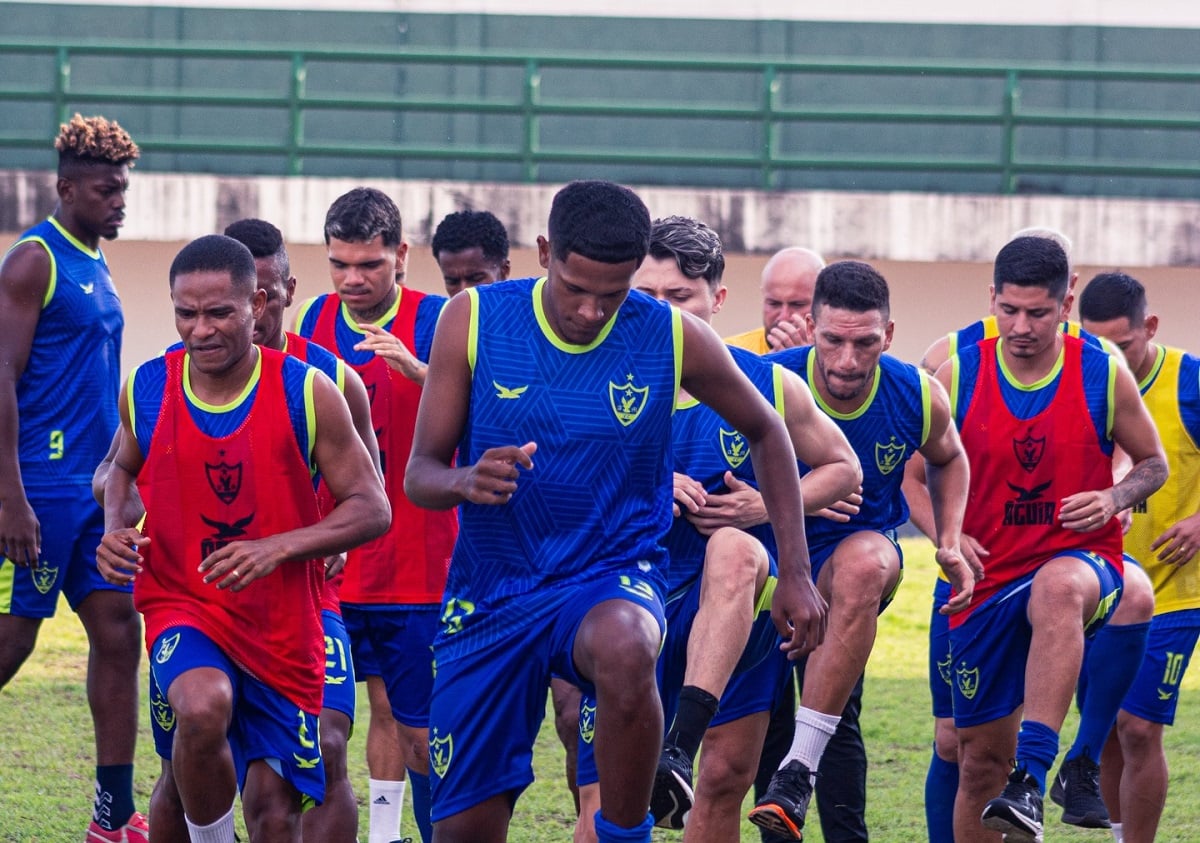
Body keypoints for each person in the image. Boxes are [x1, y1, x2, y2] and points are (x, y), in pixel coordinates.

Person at [404, 180, 826, 843]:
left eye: (615, 290)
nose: (594, 309)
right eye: (576, 287)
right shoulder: (475, 318)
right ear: (545, 252)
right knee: (464, 830)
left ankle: (627, 831)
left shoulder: (669, 335)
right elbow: (419, 474)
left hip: (609, 575)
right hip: (492, 593)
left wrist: (796, 573)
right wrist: (463, 478)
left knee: (629, 644)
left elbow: (769, 430)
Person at [570, 216, 862, 842]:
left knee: (725, 779)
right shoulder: (588, 381)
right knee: (602, 797)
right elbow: (553, 493)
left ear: (716, 300)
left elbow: (844, 467)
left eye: (679, 297)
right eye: (644, 296)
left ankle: (681, 749)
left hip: (735, 612)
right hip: (627, 609)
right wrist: (649, 484)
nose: (660, 311)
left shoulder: (765, 384)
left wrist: (766, 505)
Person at [95, 234, 390, 843]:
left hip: (287, 612)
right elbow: (121, 467)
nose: (200, 330)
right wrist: (115, 529)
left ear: (258, 303)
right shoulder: (146, 387)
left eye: (218, 312)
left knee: (277, 801)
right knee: (200, 714)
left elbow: (373, 506)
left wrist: (280, 546)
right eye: (186, 313)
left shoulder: (311, 389)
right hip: (185, 599)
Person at [912, 229, 1155, 842]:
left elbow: (1153, 462)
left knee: (1058, 587)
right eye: (1009, 310)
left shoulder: (1103, 371)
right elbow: (912, 477)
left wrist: (1113, 495)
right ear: (991, 297)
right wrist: (948, 536)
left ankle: (1039, 772)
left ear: (1065, 306)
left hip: (1079, 559)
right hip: (984, 580)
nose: (1021, 326)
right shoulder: (955, 372)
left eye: (1038, 313)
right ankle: (1013, 783)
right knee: (974, 762)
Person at [749, 260, 978, 841]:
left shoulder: (914, 394)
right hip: (770, 571)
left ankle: (803, 775)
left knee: (866, 563)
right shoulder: (766, 381)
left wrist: (948, 539)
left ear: (889, 335)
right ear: (812, 326)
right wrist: (790, 500)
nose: (847, 360)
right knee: (777, 720)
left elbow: (950, 457)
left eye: (865, 342)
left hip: (857, 568)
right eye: (832, 340)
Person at [0, 113, 149, 842]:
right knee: (10, 644)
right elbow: (1, 373)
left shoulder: (98, 261)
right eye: (107, 189)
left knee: (120, 633)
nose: (120, 200)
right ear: (67, 186)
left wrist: (125, 471)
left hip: (95, 495)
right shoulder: (34, 260)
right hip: (37, 495)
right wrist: (10, 496)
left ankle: (112, 815)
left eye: (124, 188)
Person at [294, 187, 455, 843]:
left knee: (416, 727)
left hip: (420, 567)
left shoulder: (445, 318)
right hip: (333, 570)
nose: (352, 279)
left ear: (402, 257)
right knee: (328, 728)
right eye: (340, 264)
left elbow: (487, 424)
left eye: (368, 265)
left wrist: (420, 371)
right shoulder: (312, 319)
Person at [225, 217, 379, 842]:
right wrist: (122, 517)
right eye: (246, 301)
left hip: (309, 594)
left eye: (270, 296)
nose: (258, 315)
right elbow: (120, 469)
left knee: (328, 743)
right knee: (196, 760)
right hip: (211, 596)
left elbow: (370, 488)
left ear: (289, 288)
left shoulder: (331, 380)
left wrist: (333, 536)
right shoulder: (176, 375)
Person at [729, 244, 870, 843]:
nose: (781, 315)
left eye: (795, 304)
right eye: (773, 301)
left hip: (837, 576)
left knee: (837, 719)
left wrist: (810, 490)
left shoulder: (846, 364)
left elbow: (850, 470)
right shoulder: (732, 360)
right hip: (754, 574)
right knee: (764, 718)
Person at [1080, 273, 1200, 843]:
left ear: (1149, 328)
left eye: (1121, 345)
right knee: (1103, 728)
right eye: (1095, 343)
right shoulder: (1074, 378)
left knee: (1137, 727)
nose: (1109, 358)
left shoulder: (1189, 380)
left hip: (1175, 590)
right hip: (1096, 589)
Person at [725, 247, 825, 354]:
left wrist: (809, 360)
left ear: (824, 303)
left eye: (797, 304)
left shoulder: (838, 356)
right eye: (774, 304)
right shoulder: (730, 354)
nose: (783, 317)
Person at [430, 209, 512, 296]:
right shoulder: (439, 309)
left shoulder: (526, 307)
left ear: (504, 271)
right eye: (452, 282)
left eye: (475, 279)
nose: (463, 291)